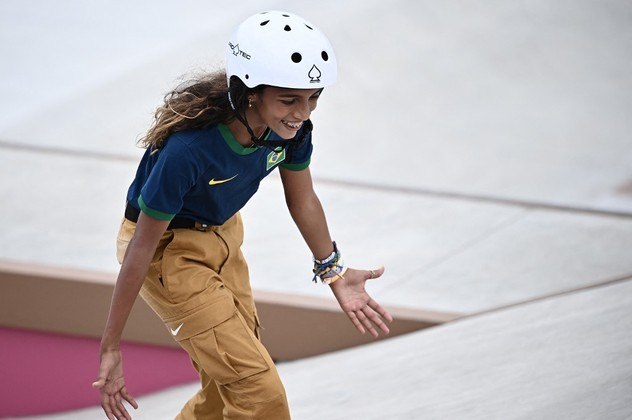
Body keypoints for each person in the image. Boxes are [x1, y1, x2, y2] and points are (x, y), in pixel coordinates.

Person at [92, 10, 392, 420]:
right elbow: (141, 245)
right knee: (259, 390)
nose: (302, 113)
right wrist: (111, 346)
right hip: (166, 251)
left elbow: (302, 200)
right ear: (250, 92)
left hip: (223, 234)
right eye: (289, 99)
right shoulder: (188, 151)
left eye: (312, 98)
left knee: (227, 383)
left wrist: (333, 272)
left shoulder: (293, 130)